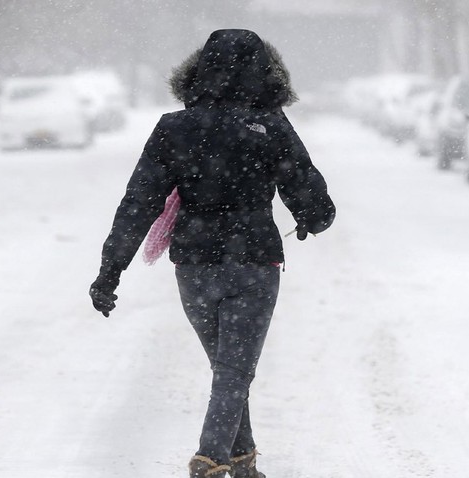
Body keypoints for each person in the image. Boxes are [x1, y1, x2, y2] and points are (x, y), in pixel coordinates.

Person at [89, 29, 335, 478]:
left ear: (199, 72)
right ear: (266, 73)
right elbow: (313, 200)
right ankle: (211, 457)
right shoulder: (272, 125)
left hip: (194, 266)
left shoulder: (174, 129)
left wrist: (111, 269)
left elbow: (139, 202)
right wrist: (310, 220)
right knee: (233, 371)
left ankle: (244, 462)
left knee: (229, 369)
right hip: (255, 263)